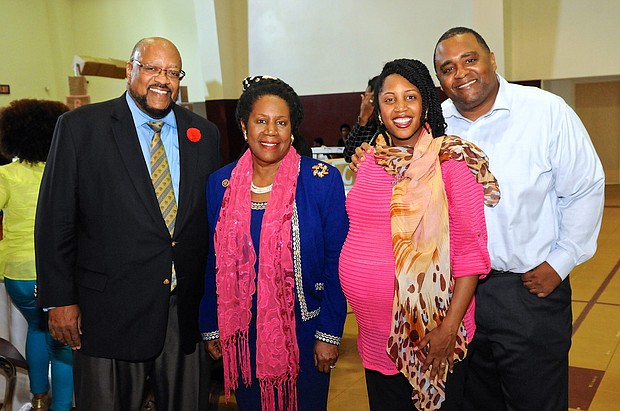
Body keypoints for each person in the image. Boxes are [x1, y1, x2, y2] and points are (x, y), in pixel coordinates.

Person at [34, 37, 221, 411]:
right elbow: (55, 220)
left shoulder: (204, 135)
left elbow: (210, 222)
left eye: (172, 72)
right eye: (152, 68)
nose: (163, 80)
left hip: (181, 313)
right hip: (107, 312)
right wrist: (60, 299)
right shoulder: (80, 128)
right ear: (129, 70)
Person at [433, 27, 605, 410]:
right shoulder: (435, 125)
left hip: (528, 293)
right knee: (473, 401)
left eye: (470, 59)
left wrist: (560, 263)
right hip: (458, 297)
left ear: (492, 59)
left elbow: (585, 189)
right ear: (440, 80)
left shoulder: (545, 111)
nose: (460, 73)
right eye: (447, 68)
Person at [340, 58, 500, 411]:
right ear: (378, 108)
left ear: (426, 101)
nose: (400, 108)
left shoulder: (452, 163)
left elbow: (471, 258)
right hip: (375, 335)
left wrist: (448, 331)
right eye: (389, 99)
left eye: (410, 97)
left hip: (434, 332)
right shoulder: (371, 162)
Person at [199, 76, 348, 411]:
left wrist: (329, 333)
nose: (271, 132)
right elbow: (213, 260)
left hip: (307, 332)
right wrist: (210, 325)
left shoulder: (320, 181)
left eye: (281, 122)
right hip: (242, 334)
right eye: (261, 121)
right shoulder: (219, 184)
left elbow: (336, 261)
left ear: (292, 129)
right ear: (243, 126)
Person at [0, 99, 73, 411]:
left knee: (37, 327)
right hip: (56, 271)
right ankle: (61, 406)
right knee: (62, 341)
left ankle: (38, 399)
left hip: (17, 273)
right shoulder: (64, 173)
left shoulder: (6, 175)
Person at [343, 76, 379, 162]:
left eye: (367, 96)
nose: (364, 102)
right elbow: (349, 156)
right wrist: (363, 118)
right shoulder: (369, 124)